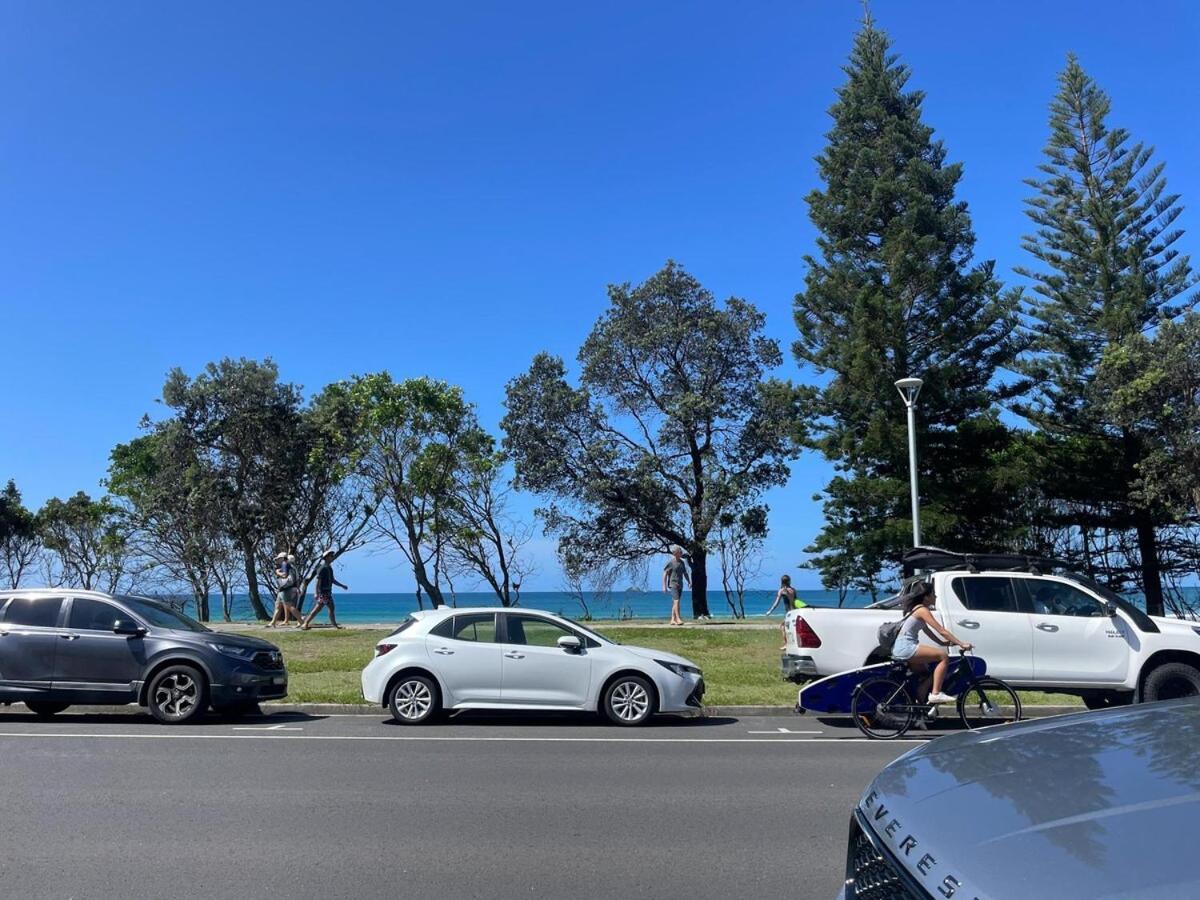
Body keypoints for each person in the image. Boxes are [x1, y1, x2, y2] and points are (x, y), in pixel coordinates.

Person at [891, 581, 973, 704]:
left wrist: (943, 643)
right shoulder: (922, 610)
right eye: (933, 594)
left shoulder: (916, 609)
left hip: (901, 647)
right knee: (943, 656)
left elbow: (927, 630)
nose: (936, 597)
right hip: (906, 647)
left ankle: (920, 703)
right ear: (926, 597)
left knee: (927, 674)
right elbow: (941, 630)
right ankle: (935, 693)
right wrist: (961, 643)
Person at [302, 550, 348, 630]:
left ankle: (334, 625)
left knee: (323, 608)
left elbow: (332, 580)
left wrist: (342, 585)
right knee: (324, 608)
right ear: (326, 557)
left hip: (328, 592)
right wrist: (316, 592)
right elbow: (318, 580)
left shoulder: (329, 568)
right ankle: (306, 623)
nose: (332, 557)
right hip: (323, 592)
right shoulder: (322, 568)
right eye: (331, 556)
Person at [662, 545, 691, 626]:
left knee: (675, 602)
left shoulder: (682, 562)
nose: (681, 553)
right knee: (676, 601)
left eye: (681, 552)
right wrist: (664, 586)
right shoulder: (670, 562)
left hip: (680, 584)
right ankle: (678, 619)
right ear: (675, 553)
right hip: (673, 584)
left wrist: (689, 581)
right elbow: (665, 573)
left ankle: (672, 619)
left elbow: (685, 573)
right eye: (679, 552)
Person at [267, 551, 296, 628]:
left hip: (285, 588)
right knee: (279, 605)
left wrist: (277, 573)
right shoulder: (290, 566)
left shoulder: (285, 564)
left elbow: (284, 575)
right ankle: (273, 622)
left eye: (279, 558)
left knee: (288, 605)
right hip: (283, 589)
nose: (278, 560)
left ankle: (301, 621)